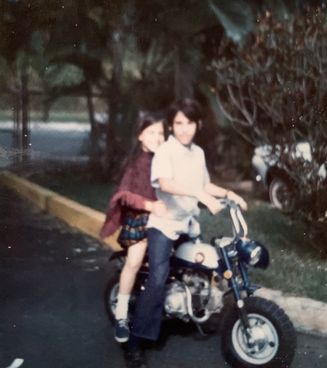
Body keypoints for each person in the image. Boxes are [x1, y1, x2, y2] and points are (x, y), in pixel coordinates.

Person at [126, 98, 247, 368]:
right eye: (178, 123)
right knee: (157, 279)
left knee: (203, 267)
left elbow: (206, 184)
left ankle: (191, 310)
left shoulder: (198, 153)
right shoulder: (165, 152)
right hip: (165, 225)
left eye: (189, 123)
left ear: (198, 125)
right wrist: (196, 192)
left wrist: (229, 193)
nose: (184, 129)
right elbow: (166, 183)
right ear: (171, 126)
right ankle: (135, 343)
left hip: (189, 224)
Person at [100, 111, 167, 343]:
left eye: (161, 132)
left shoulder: (165, 159)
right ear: (140, 135)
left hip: (164, 219)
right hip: (139, 219)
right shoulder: (136, 163)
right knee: (135, 261)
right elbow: (124, 195)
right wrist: (148, 205)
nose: (157, 137)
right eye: (151, 132)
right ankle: (121, 316)